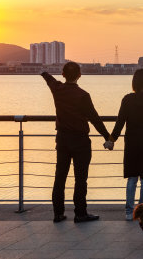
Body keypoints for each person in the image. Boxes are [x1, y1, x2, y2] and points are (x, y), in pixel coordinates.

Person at [42, 62, 114, 223]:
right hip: (80, 141)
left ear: (63, 74)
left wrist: (44, 72)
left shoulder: (57, 89)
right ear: (80, 75)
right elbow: (95, 119)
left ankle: (58, 214)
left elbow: (49, 80)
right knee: (80, 179)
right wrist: (107, 137)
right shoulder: (83, 95)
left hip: (62, 140)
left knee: (60, 177)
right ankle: (80, 213)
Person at [106, 69, 143, 220]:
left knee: (132, 178)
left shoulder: (127, 99)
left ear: (134, 83)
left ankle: (129, 212)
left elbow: (120, 123)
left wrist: (111, 140)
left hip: (131, 143)